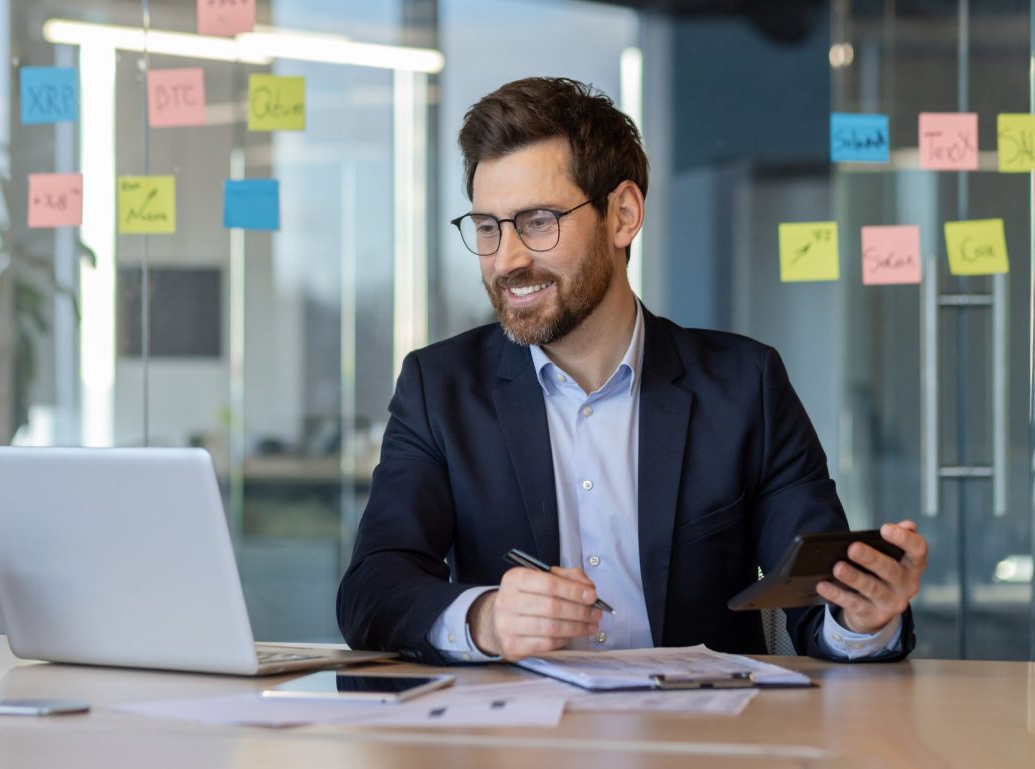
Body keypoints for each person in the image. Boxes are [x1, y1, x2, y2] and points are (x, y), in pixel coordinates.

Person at [337, 77, 927, 664]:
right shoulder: (438, 389)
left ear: (622, 215)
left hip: (701, 743)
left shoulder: (745, 386)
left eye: (538, 222)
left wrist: (861, 618)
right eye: (489, 228)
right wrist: (483, 619)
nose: (507, 259)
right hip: (517, 744)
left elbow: (817, 600)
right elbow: (373, 590)